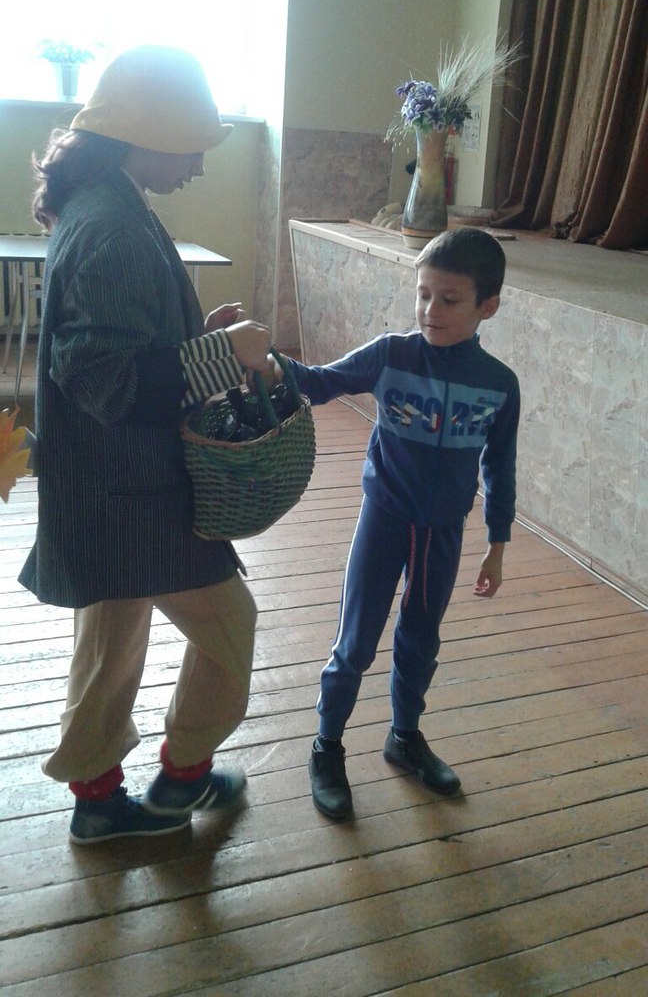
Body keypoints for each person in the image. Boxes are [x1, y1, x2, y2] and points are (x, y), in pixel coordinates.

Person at [19, 45, 272, 844]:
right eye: (191, 144)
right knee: (229, 631)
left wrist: (196, 334)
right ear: (145, 136)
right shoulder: (114, 228)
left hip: (100, 489)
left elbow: (120, 352)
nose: (199, 163)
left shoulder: (102, 206)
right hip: (137, 493)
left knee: (109, 645)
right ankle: (180, 778)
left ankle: (98, 802)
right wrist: (224, 356)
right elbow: (107, 381)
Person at [270, 227, 520, 819]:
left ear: (488, 307)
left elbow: (499, 465)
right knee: (355, 643)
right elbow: (319, 383)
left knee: (420, 640)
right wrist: (266, 360)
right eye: (423, 294)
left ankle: (404, 738)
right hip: (383, 523)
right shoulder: (391, 355)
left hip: (444, 534)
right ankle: (327, 747)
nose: (431, 310)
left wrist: (498, 543)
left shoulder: (499, 384)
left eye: (449, 299)